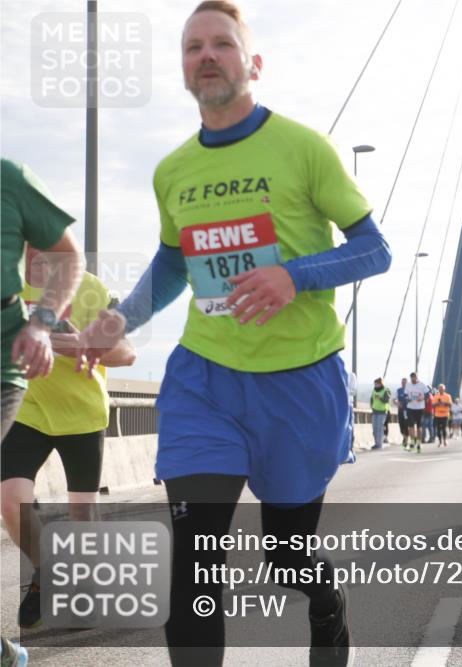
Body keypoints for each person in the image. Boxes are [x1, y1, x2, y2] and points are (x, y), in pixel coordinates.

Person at [74, 3, 391, 663]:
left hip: (300, 380)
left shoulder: (304, 147)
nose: (207, 55)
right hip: (205, 380)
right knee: (194, 560)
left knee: (287, 551)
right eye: (194, 47)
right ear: (185, 68)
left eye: (223, 44)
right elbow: (172, 260)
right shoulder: (173, 171)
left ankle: (327, 604)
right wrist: (121, 318)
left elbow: (374, 250)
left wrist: (292, 275)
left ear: (254, 63)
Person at [2, 247, 136, 630]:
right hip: (26, 410)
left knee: (83, 514)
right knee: (11, 501)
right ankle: (47, 573)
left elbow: (126, 353)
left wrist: (79, 344)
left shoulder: (90, 288)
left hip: (83, 414)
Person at [0, 157, 85, 667]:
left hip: (3, 359)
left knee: (80, 511)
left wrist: (42, 324)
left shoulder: (9, 178)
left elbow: (68, 258)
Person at [404, 372, 430, 453]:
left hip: (420, 408)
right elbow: (405, 395)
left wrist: (422, 398)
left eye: (414, 378)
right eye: (411, 378)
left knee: (419, 426)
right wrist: (407, 399)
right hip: (410, 408)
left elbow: (428, 395)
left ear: (417, 378)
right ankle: (412, 443)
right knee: (411, 426)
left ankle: (419, 443)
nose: (413, 379)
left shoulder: (422, 385)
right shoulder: (408, 385)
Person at [370, 378, 391, 449]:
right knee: (374, 428)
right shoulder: (374, 390)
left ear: (380, 383)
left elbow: (387, 400)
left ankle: (379, 444)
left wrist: (380, 398)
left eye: (377, 384)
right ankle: (376, 443)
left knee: (379, 428)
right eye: (375, 384)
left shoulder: (386, 390)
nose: (375, 385)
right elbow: (371, 398)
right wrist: (372, 406)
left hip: (382, 412)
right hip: (375, 411)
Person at [394, 377, 409, 447]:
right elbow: (395, 399)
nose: (403, 384)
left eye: (405, 383)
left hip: (408, 411)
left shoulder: (409, 390)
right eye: (402, 382)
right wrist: (397, 403)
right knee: (401, 425)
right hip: (400, 410)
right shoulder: (399, 390)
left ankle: (406, 438)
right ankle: (404, 436)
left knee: (406, 424)